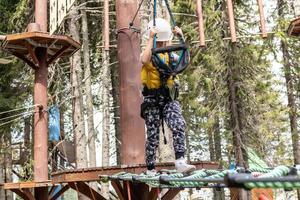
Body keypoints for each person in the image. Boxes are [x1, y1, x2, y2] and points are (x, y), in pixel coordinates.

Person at [140, 18, 196, 175]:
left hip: (169, 99)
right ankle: (150, 167)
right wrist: (151, 39)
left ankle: (180, 161)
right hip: (152, 99)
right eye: (159, 43)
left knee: (178, 124)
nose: (162, 46)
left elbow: (185, 59)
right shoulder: (148, 55)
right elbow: (144, 59)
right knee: (152, 134)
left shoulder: (172, 56)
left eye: (162, 43)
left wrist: (181, 38)